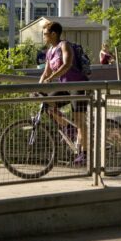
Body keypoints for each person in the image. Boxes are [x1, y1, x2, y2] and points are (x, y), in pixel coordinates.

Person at [39, 21, 90, 166]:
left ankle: (85, 154)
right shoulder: (50, 51)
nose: (43, 37)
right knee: (47, 104)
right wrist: (37, 86)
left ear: (53, 34)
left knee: (80, 120)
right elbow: (46, 72)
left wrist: (50, 79)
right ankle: (68, 127)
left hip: (77, 85)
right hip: (65, 86)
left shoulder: (64, 45)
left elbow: (67, 65)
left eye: (45, 34)